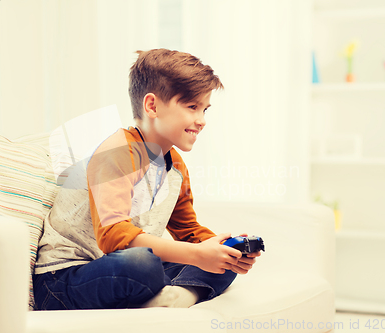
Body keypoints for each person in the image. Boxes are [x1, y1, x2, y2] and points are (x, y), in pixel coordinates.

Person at [33, 49, 261, 310]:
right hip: (63, 280)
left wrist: (223, 249)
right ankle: (168, 293)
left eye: (205, 109)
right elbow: (113, 236)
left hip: (122, 272)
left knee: (221, 264)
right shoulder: (116, 152)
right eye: (192, 107)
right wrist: (198, 255)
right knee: (142, 264)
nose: (201, 121)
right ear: (152, 106)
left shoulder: (175, 165)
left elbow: (188, 232)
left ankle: (173, 298)